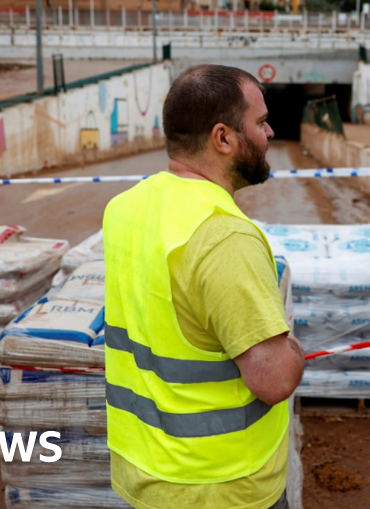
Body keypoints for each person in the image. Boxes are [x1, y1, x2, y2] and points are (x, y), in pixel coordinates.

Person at [102, 65, 305, 509]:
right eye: (261, 121)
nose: (270, 132)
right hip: (220, 483)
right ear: (223, 138)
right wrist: (290, 340)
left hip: (145, 470)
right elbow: (273, 379)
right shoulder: (223, 235)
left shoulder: (125, 207)